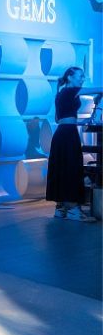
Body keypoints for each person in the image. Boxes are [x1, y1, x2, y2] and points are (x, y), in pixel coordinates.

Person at [45, 66, 102, 222]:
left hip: (61, 133)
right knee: (71, 168)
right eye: (80, 76)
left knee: (62, 168)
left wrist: (82, 120)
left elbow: (59, 119)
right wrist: (98, 96)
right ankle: (73, 210)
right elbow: (99, 89)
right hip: (68, 134)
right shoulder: (71, 91)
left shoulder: (60, 93)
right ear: (70, 77)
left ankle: (61, 208)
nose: (83, 79)